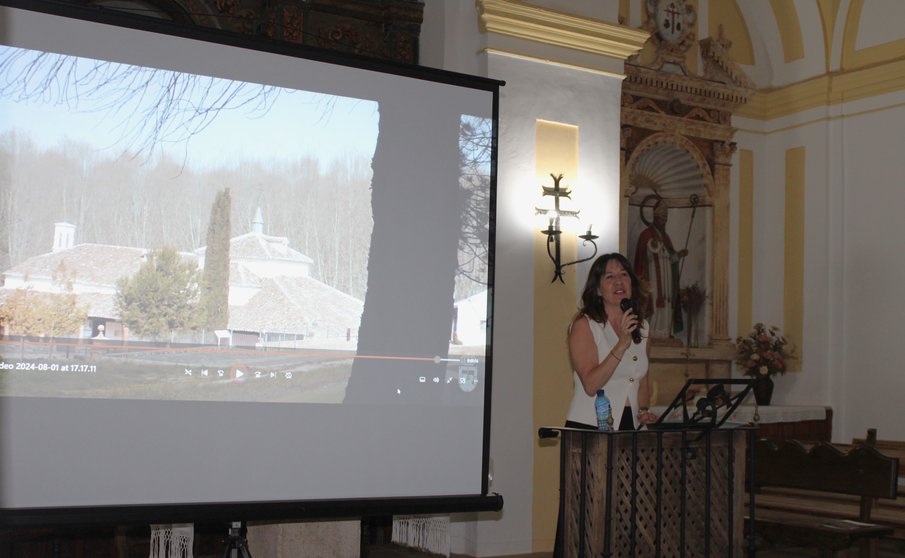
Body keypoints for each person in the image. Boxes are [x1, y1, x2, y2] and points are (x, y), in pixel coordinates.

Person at [566, 252, 658, 430]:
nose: (619, 282)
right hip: (591, 426)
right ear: (598, 290)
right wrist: (622, 344)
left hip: (631, 427)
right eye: (610, 276)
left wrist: (644, 410)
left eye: (624, 275)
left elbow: (642, 378)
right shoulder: (585, 325)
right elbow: (591, 385)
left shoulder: (642, 327)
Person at [633, 197, 688, 339]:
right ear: (655, 217)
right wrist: (653, 245)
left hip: (667, 276)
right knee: (656, 300)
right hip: (653, 275)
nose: (664, 220)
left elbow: (670, 258)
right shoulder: (646, 235)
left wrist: (678, 255)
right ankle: (653, 332)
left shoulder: (666, 237)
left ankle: (665, 332)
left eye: (666, 217)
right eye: (661, 216)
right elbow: (644, 256)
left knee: (668, 301)